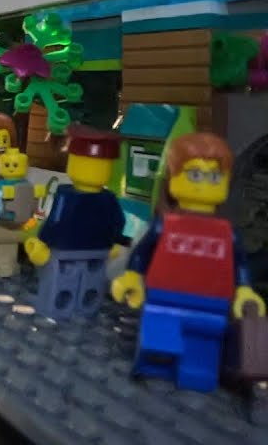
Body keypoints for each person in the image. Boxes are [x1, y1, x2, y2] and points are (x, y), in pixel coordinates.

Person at [111, 132, 265, 391]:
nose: (204, 183)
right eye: (194, 174)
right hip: (163, 299)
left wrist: (245, 290)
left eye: (214, 177)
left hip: (211, 304)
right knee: (158, 344)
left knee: (201, 354)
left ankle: (194, 374)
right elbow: (142, 253)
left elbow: (240, 264)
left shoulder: (227, 233)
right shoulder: (165, 225)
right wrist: (133, 276)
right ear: (173, 179)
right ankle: (155, 370)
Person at [25, 125, 128, 319]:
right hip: (94, 251)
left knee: (66, 283)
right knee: (83, 283)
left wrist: (43, 241)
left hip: (70, 251)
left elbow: (55, 222)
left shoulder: (69, 195)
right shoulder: (106, 198)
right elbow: (118, 222)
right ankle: (83, 306)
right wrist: (113, 241)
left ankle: (65, 306)